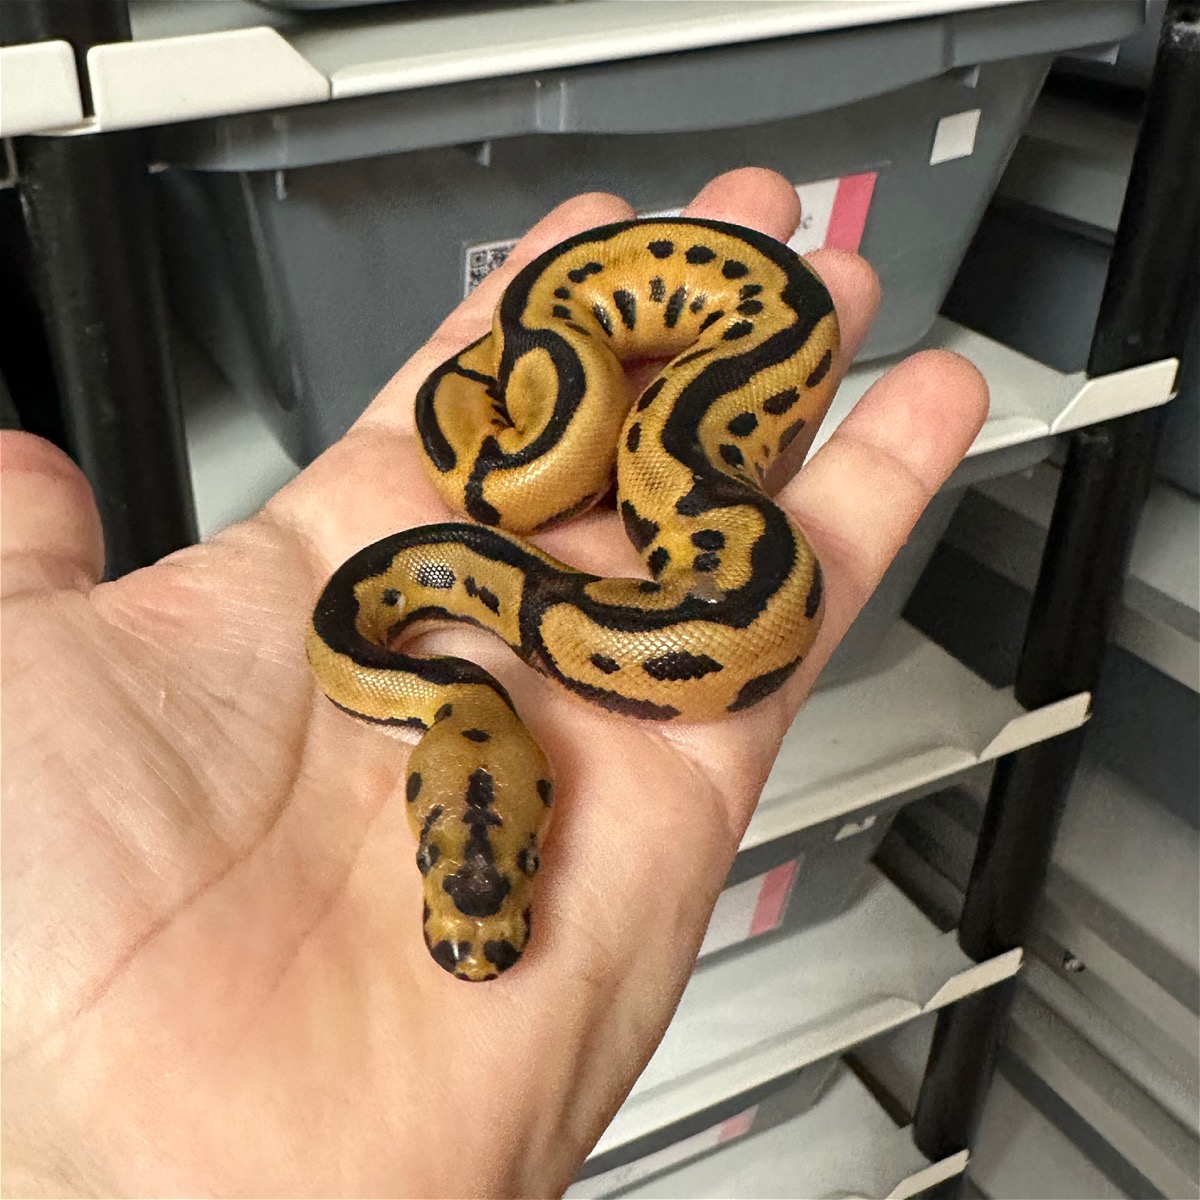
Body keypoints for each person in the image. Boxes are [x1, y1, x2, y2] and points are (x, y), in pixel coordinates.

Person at [0, 169, 987, 1198]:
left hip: (668, 408)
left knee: (638, 450)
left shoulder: (432, 634)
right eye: (520, 865)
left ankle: (553, 369)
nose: (477, 927)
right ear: (543, 789)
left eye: (443, 864)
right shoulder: (440, 646)